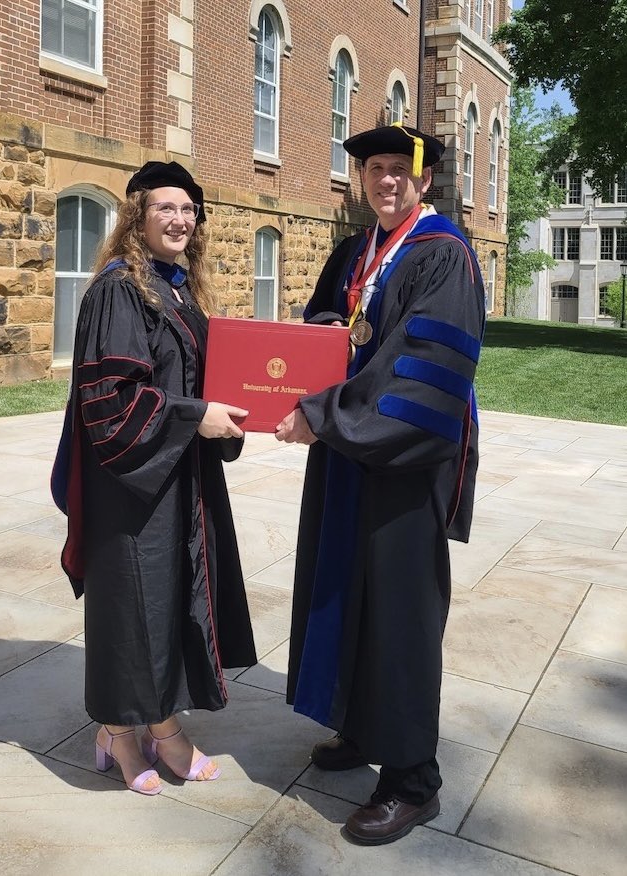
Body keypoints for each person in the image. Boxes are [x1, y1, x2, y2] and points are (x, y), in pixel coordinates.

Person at [275, 124, 485, 844]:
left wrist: (324, 413)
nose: (385, 180)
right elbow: (325, 332)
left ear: (425, 181)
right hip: (346, 456)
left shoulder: (445, 259)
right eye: (373, 169)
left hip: (403, 462)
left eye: (400, 169)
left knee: (399, 616)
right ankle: (360, 729)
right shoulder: (353, 252)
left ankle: (412, 779)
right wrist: (320, 350)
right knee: (346, 592)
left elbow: (420, 374)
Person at [54, 161, 257, 795]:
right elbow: (113, 401)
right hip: (131, 484)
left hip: (177, 476)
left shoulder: (175, 289)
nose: (180, 219)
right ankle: (122, 730)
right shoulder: (120, 290)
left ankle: (159, 722)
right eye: (166, 208)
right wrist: (198, 417)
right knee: (133, 606)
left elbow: (200, 374)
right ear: (137, 216)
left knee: (167, 603)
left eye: (189, 211)